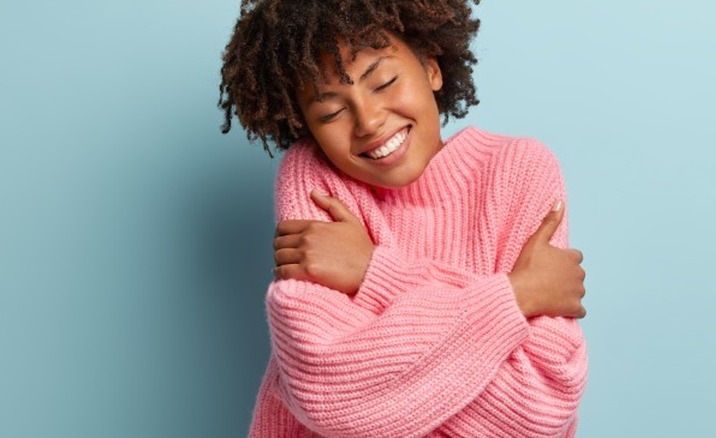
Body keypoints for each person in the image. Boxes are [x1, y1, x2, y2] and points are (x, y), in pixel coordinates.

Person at [219, 1, 587, 436]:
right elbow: (326, 393)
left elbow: (535, 411)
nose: (369, 122)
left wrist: (371, 272)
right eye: (331, 112)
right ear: (308, 127)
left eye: (384, 81)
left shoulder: (520, 170)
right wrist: (517, 295)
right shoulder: (315, 178)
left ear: (432, 68)